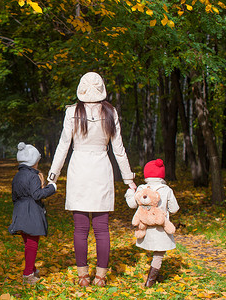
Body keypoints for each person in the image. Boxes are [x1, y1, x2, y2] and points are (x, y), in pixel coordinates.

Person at [47, 72, 136, 287]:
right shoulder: (110, 112)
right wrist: (128, 179)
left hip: (79, 169)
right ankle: (101, 277)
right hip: (101, 170)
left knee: (80, 229)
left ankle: (83, 276)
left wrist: (53, 177)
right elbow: (119, 149)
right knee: (102, 228)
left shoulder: (71, 112)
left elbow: (62, 147)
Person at [125, 159, 179, 287]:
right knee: (159, 254)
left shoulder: (141, 188)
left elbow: (132, 204)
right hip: (161, 227)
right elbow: (175, 209)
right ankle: (151, 281)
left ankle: (154, 276)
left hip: (145, 227)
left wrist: (129, 193)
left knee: (152, 250)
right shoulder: (167, 190)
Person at [8, 142, 57, 285]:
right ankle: (28, 274)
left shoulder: (17, 176)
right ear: (33, 162)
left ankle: (32, 269)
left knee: (28, 243)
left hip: (19, 212)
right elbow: (37, 195)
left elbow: (14, 196)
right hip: (31, 213)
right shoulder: (33, 176)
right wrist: (51, 188)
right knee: (32, 244)